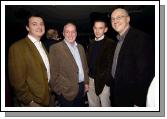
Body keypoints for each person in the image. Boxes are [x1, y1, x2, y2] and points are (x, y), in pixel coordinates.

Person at [110, 8, 155, 107]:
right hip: (117, 94)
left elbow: (146, 73)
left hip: (131, 98)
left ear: (128, 19)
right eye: (112, 19)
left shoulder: (141, 38)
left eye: (119, 17)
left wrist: (139, 101)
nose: (115, 21)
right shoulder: (118, 40)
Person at [8, 14, 51, 107]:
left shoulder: (42, 45)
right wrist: (30, 102)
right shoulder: (17, 47)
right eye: (34, 24)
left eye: (41, 24)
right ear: (27, 28)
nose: (39, 27)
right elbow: (17, 82)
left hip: (47, 97)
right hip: (34, 102)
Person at [49, 22, 89, 107]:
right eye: (67, 32)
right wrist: (59, 92)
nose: (70, 34)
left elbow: (84, 67)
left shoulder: (81, 47)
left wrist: (86, 83)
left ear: (76, 33)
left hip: (81, 87)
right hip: (66, 91)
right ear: (63, 33)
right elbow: (53, 73)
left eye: (73, 31)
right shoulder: (55, 48)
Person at [87, 19, 116, 106]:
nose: (97, 31)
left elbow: (112, 64)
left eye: (100, 28)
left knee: (105, 105)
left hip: (103, 81)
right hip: (90, 80)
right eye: (95, 28)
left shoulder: (110, 43)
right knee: (92, 105)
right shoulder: (91, 43)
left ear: (105, 29)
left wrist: (107, 82)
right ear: (93, 28)